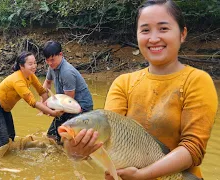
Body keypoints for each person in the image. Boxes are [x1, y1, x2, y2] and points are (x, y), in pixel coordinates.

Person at [62, 0, 218, 180]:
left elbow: (193, 148)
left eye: (163, 29)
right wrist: (76, 151)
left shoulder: (197, 80)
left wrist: (143, 175)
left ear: (182, 34)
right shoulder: (123, 83)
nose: (153, 38)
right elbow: (104, 139)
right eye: (145, 30)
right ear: (137, 35)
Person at [0, 51, 63, 148]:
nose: (34, 66)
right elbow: (32, 102)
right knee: (4, 140)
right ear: (22, 66)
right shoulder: (18, 80)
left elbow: (42, 91)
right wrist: (53, 113)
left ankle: (9, 159)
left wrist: (49, 107)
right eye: (30, 64)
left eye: (35, 63)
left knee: (11, 137)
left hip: (5, 108)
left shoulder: (30, 75)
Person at [42, 41, 94, 143]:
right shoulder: (52, 66)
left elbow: (68, 100)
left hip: (80, 107)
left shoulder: (67, 72)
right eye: (47, 60)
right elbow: (47, 83)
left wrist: (52, 112)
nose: (49, 63)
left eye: (52, 60)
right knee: (51, 135)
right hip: (65, 104)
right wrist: (43, 103)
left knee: (69, 139)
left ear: (60, 55)